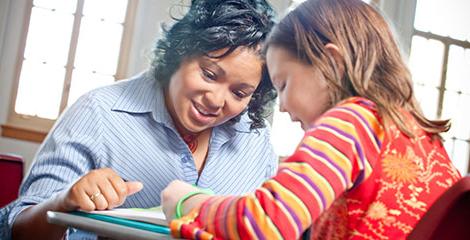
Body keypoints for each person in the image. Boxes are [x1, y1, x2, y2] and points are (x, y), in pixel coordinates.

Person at [160, 0, 462, 239]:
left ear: (331, 62)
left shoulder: (352, 121)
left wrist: (190, 203)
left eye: (284, 85)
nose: (283, 108)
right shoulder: (422, 137)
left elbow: (267, 223)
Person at [3, 0, 279, 239]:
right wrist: (64, 202)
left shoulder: (257, 141)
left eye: (240, 93)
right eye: (208, 74)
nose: (216, 101)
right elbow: (18, 232)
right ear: (179, 52)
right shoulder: (98, 112)